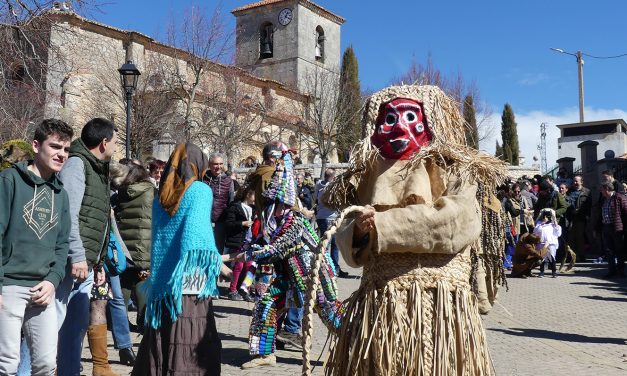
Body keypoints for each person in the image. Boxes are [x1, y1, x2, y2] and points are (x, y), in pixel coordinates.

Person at [319, 85, 505, 375]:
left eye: (409, 116)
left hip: (440, 307)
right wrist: (358, 231)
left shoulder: (456, 170)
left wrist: (382, 224)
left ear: (432, 121)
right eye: (390, 119)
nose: (399, 126)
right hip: (380, 307)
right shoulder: (364, 178)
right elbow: (348, 238)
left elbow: (455, 223)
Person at [132, 143, 231, 375]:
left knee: (165, 333)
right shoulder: (200, 190)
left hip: (165, 280)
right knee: (190, 335)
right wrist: (221, 265)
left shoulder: (161, 194)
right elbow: (197, 239)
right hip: (190, 278)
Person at [241, 147, 342, 369]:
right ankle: (264, 353)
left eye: (277, 205)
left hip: (312, 275)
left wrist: (251, 252)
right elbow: (269, 244)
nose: (273, 210)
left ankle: (356, 344)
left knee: (329, 311)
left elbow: (277, 248)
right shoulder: (274, 221)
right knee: (265, 304)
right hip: (287, 274)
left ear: (286, 205)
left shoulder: (294, 222)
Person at [0, 119, 73, 375]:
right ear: (35, 145)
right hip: (8, 286)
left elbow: (62, 244)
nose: (61, 154)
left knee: (45, 363)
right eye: (55, 147)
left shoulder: (60, 194)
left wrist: (53, 281)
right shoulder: (9, 181)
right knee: (6, 363)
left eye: (66, 150)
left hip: (42, 289)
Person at [55, 118, 119, 376]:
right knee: (51, 329)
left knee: (75, 327)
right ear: (104, 143)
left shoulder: (97, 167)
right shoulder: (77, 164)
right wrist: (79, 256)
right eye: (115, 142)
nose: (116, 147)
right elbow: (69, 215)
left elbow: (96, 219)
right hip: (70, 263)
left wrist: (98, 261)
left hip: (86, 263)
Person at [115, 163, 156, 334]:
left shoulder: (122, 193)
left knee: (124, 283)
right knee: (142, 281)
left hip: (124, 246)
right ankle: (143, 321)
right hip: (145, 246)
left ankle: (120, 322)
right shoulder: (151, 191)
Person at [224, 187, 255, 301]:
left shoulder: (254, 209)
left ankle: (244, 289)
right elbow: (229, 224)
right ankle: (232, 290)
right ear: (248, 195)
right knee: (238, 266)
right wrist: (243, 223)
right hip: (238, 241)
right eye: (254, 195)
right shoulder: (236, 207)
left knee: (250, 266)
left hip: (250, 242)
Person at [315, 168, 348, 278]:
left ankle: (331, 269)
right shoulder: (332, 188)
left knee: (328, 244)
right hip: (330, 218)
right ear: (333, 177)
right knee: (331, 245)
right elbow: (340, 202)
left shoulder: (318, 185)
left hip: (321, 217)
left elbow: (314, 199)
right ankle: (329, 269)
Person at [202, 153, 234, 253]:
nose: (218, 167)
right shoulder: (203, 179)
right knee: (205, 249)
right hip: (205, 220)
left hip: (221, 221)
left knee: (218, 250)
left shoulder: (228, 181)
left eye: (221, 164)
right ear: (209, 165)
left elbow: (231, 202)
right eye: (215, 164)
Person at [595, 182, 627, 278]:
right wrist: (598, 228)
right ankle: (611, 271)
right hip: (606, 227)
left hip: (617, 228)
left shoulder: (619, 197)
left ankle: (621, 271)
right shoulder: (604, 199)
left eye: (602, 189)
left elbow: (626, 212)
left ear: (607, 189)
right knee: (608, 250)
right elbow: (600, 215)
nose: (601, 191)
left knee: (619, 250)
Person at [566, 175, 591, 261]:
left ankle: (581, 255)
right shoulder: (570, 191)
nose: (575, 183)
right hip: (571, 218)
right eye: (574, 181)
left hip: (581, 217)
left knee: (580, 237)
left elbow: (589, 205)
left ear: (581, 182)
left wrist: (587, 215)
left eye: (577, 181)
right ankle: (571, 256)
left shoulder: (587, 192)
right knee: (571, 237)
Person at [534, 208, 562, 278]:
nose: (545, 218)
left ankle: (554, 272)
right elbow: (535, 231)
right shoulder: (539, 223)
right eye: (544, 216)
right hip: (542, 243)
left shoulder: (553, 225)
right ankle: (542, 271)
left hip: (551, 244)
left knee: (552, 258)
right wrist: (542, 223)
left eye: (547, 217)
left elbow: (558, 233)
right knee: (542, 258)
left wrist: (555, 221)